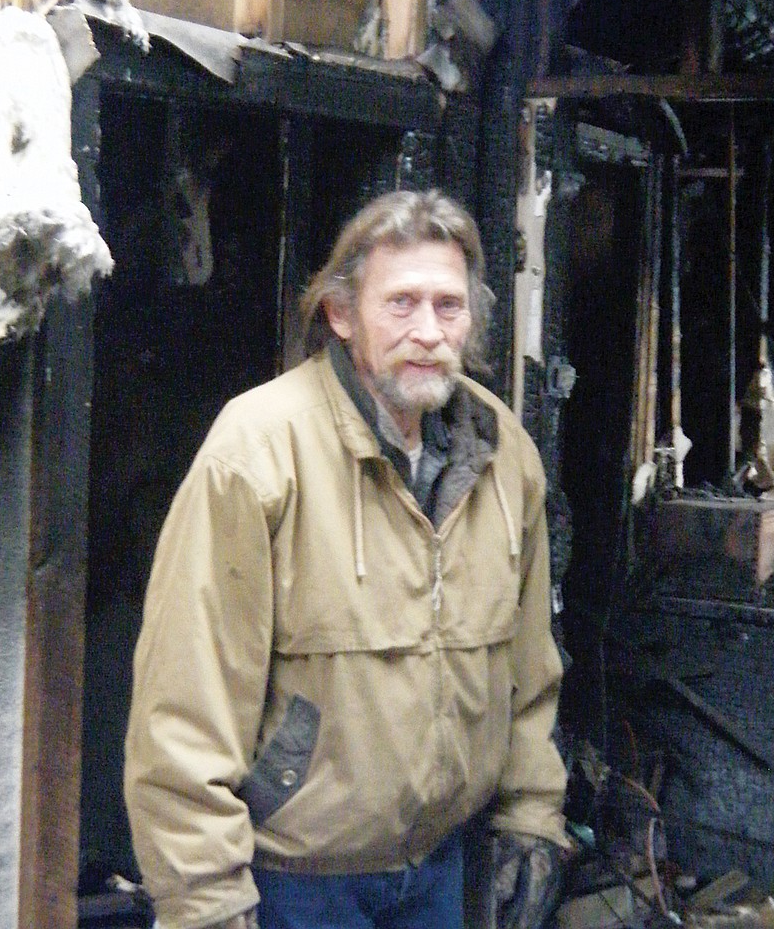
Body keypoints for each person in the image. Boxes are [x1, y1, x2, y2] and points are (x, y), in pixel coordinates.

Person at [125, 189, 571, 929]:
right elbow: (186, 696)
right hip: (296, 879)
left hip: (441, 869)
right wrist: (203, 897)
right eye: (401, 304)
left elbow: (528, 667)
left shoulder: (503, 452)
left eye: (448, 306)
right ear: (341, 313)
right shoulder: (260, 447)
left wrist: (531, 815)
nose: (428, 331)